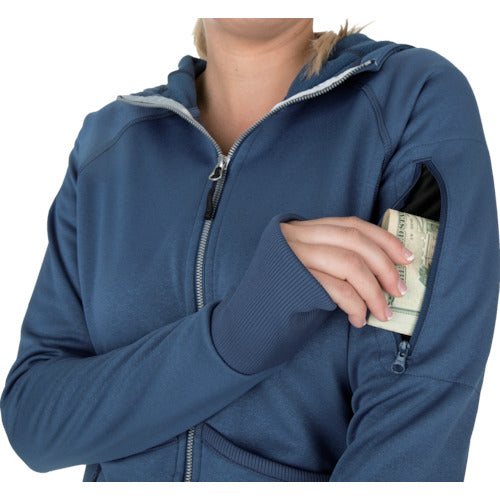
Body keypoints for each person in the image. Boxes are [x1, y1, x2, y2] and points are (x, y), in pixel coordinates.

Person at [0, 17, 498, 482]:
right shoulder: (109, 144)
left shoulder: (409, 101)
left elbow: (415, 432)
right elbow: (33, 420)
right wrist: (244, 328)